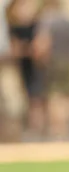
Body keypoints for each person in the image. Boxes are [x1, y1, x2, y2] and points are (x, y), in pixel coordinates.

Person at [33, 0, 69, 139]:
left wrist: (39, 60)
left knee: (54, 97)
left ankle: (58, 131)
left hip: (54, 62)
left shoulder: (47, 21)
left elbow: (42, 43)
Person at [6, 0, 45, 134]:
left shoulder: (35, 25)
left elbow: (39, 48)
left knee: (37, 99)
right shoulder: (14, 27)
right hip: (23, 67)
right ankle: (32, 128)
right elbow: (15, 50)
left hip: (36, 67)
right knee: (28, 98)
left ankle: (38, 129)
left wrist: (26, 49)